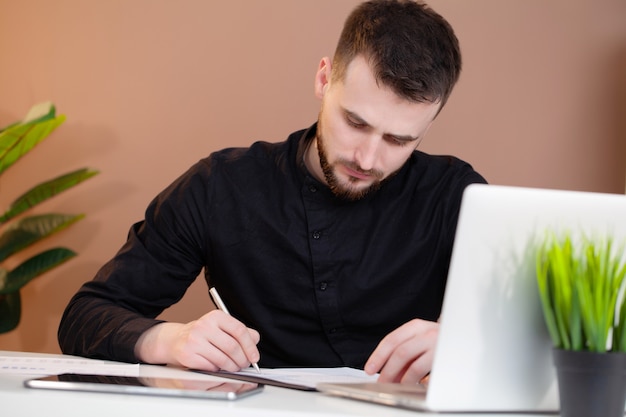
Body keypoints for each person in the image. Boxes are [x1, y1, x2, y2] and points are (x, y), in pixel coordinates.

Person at [58, 0, 487, 384]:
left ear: (428, 126)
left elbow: (544, 332)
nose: (368, 158)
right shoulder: (220, 187)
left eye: (399, 140)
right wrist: (167, 340)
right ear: (324, 79)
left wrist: (465, 342)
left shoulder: (457, 198)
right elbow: (84, 316)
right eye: (355, 123)